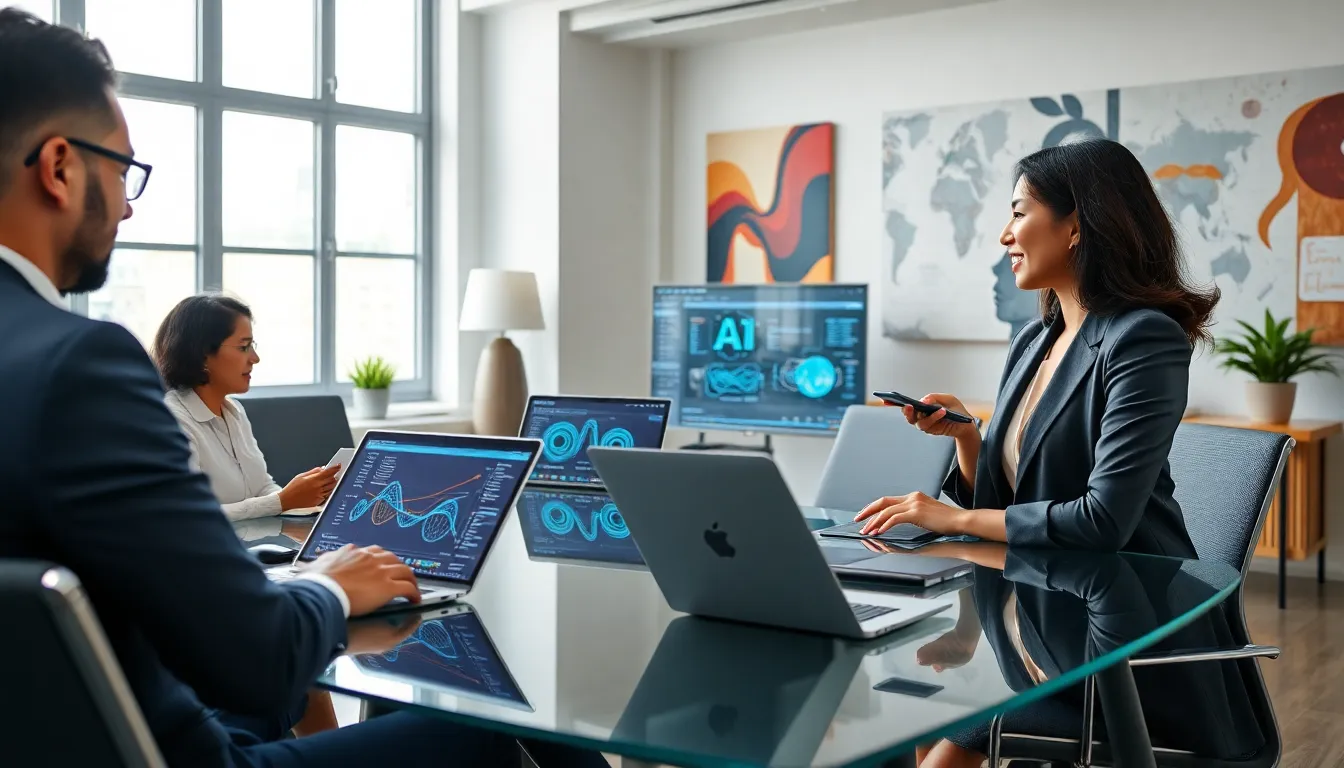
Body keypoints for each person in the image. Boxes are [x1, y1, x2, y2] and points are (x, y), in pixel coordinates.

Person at [0, 10, 606, 767]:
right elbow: (257, 654)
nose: (126, 205)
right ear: (58, 167)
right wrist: (328, 587)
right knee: (483, 731)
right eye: (123, 171)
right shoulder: (81, 367)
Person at [855, 139, 1220, 767]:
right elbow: (1015, 509)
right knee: (900, 709)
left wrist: (950, 516)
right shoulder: (1034, 339)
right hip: (1037, 621)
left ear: (1076, 223)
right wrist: (971, 439)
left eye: (1019, 212)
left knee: (945, 734)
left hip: (1120, 647)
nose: (1005, 235)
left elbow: (1103, 520)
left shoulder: (1144, 339)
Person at [154, 294, 341, 522]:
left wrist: (309, 498)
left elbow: (262, 487)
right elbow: (188, 514)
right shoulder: (171, 421)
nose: (255, 358)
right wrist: (282, 500)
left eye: (252, 346)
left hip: (250, 544)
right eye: (243, 347)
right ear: (202, 354)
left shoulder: (234, 412)